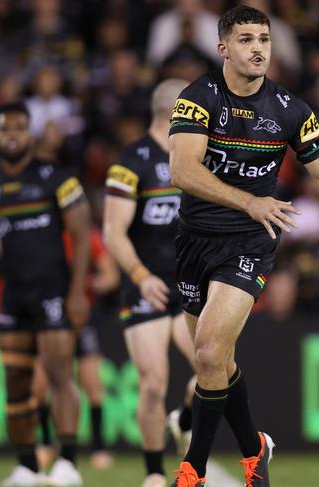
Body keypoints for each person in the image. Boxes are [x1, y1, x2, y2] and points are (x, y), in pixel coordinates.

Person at [167, 6, 319, 487]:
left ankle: (192, 472)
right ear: (224, 48)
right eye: (246, 39)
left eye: (264, 39)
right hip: (196, 240)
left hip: (250, 242)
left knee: (211, 353)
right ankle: (257, 449)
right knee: (217, 361)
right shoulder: (196, 99)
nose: (257, 47)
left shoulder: (292, 110)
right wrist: (249, 201)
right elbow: (183, 171)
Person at [0, 101, 90, 487]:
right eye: (4, 129)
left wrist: (77, 294)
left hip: (53, 291)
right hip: (15, 296)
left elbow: (81, 235)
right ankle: (27, 465)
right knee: (15, 383)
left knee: (60, 375)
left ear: (30, 134)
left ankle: (68, 462)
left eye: (19, 128)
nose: (11, 135)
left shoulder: (55, 177)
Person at [103, 78, 198, 487]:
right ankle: (155, 472)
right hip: (148, 287)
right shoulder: (132, 160)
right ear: (175, 112)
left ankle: (187, 419)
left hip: (190, 283)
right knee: (154, 382)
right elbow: (113, 232)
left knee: (217, 371)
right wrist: (140, 277)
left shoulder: (198, 157)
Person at [33, 226, 119, 471]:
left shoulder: (88, 237)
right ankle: (46, 443)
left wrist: (88, 283)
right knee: (40, 384)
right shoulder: (44, 236)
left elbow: (110, 276)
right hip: (50, 316)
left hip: (81, 319)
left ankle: (98, 447)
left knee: (92, 384)